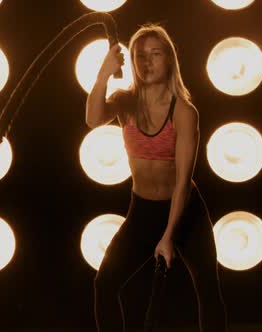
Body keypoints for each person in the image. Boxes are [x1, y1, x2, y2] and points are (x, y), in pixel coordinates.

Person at [85, 23, 228, 331]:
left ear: (170, 60)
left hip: (185, 209)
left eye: (155, 54)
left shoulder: (184, 112)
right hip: (143, 211)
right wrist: (103, 74)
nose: (147, 62)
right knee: (105, 283)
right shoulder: (126, 101)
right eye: (139, 55)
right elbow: (93, 119)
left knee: (207, 288)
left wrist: (168, 236)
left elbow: (182, 183)